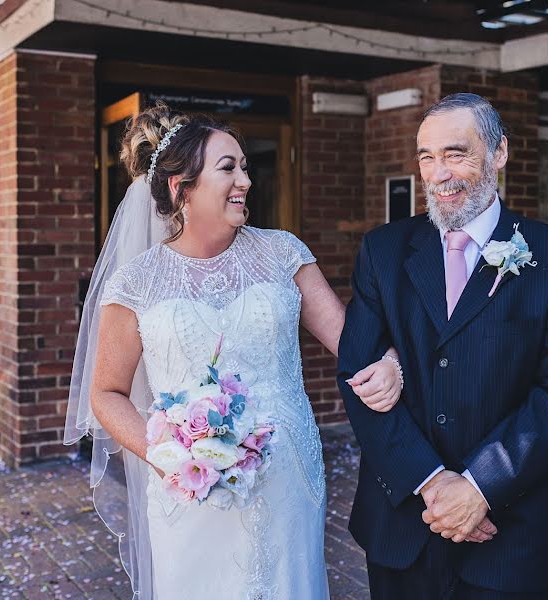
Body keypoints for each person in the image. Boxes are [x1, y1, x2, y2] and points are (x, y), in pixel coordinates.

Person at [63, 102, 403, 599]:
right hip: (194, 486)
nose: (245, 179)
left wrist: (391, 362)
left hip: (288, 475)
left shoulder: (282, 253)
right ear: (182, 189)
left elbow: (351, 342)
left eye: (244, 166)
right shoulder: (135, 283)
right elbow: (107, 393)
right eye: (228, 168)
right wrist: (171, 455)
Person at [338, 93, 548, 599]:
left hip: (510, 534)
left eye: (455, 154)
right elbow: (358, 373)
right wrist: (434, 484)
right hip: (402, 527)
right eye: (426, 157)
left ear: (499, 153)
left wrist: (480, 487)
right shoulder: (383, 251)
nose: (438, 173)